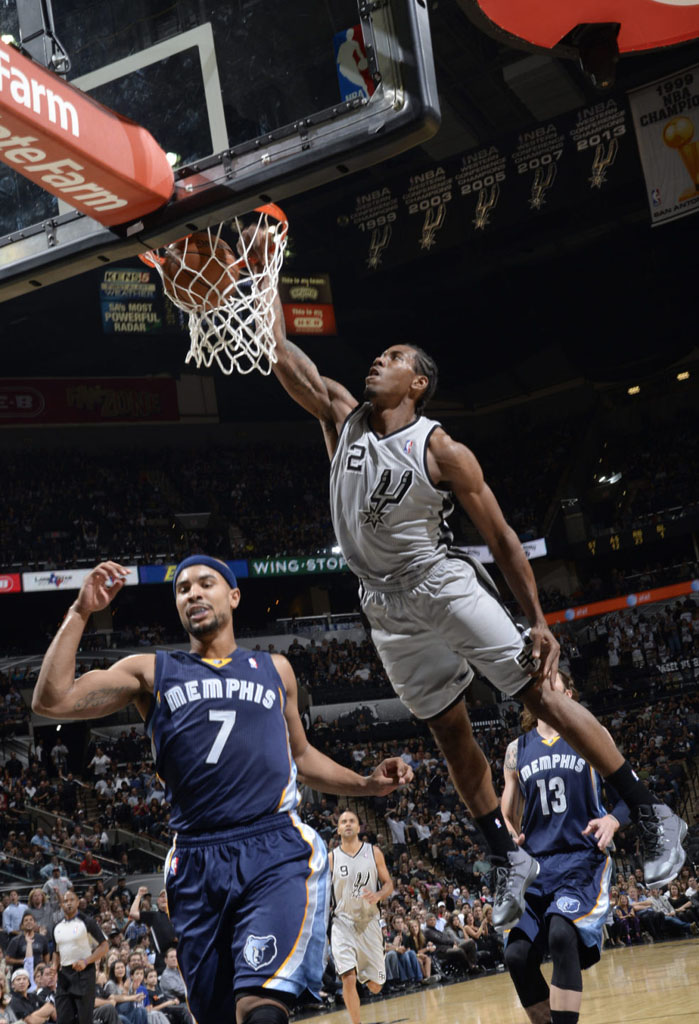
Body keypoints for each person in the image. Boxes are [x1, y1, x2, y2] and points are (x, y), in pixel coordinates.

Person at [263, 289, 686, 923]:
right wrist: (262, 286)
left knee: (541, 698)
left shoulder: (439, 449)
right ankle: (505, 855)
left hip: (440, 581)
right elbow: (281, 354)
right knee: (448, 731)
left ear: (419, 382)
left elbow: (502, 538)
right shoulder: (341, 415)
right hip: (382, 605)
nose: (378, 360)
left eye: (394, 356)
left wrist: (539, 619)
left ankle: (652, 813)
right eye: (379, 354)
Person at [33, 557, 413, 1024]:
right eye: (183, 588)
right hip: (196, 862)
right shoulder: (151, 672)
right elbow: (52, 700)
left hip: (272, 849)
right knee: (217, 1015)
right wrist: (80, 611)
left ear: (232, 596)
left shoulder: (275, 670)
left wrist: (365, 784)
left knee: (261, 1009)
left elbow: (302, 756)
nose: (192, 593)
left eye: (205, 583)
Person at [501, 671, 630, 1024]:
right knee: (516, 955)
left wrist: (613, 820)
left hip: (581, 860)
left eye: (551, 680)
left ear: (568, 693)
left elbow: (628, 796)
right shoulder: (516, 750)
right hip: (537, 867)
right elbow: (506, 811)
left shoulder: (591, 734)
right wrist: (509, 830)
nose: (542, 684)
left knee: (561, 933)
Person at [329, 810, 392, 1024]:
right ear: (338, 829)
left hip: (369, 922)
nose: (347, 824)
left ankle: (369, 974)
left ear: (359, 827)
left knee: (375, 986)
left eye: (351, 821)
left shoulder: (373, 852)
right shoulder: (331, 858)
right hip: (342, 922)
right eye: (343, 822)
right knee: (348, 977)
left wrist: (379, 895)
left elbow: (389, 884)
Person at [51, 890, 109, 1024]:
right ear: (62, 905)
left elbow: (104, 946)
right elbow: (56, 951)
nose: (68, 903)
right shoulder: (57, 927)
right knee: (63, 1018)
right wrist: (54, 965)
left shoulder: (87, 922)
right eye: (65, 901)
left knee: (84, 1019)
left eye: (72, 900)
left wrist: (86, 961)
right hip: (64, 974)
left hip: (84, 974)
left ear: (78, 902)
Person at [127, 890, 177, 974]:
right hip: (162, 961)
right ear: (157, 900)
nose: (164, 898)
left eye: (166, 896)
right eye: (162, 896)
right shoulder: (154, 916)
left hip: (181, 958)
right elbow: (132, 913)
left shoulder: (178, 915)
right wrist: (139, 895)